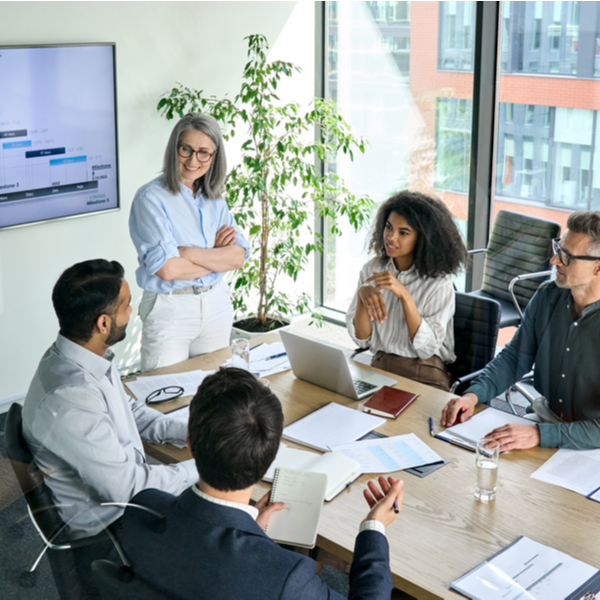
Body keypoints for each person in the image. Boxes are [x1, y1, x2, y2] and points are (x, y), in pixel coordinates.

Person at [121, 367, 404, 599]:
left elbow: (201, 561)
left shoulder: (140, 510)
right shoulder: (286, 576)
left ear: (190, 446)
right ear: (268, 460)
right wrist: (374, 529)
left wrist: (250, 530)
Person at [22, 259, 198, 541]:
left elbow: (129, 411)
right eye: (126, 305)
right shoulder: (70, 398)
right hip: (111, 529)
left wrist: (188, 430)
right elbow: (129, 489)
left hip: (123, 496)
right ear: (103, 323)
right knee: (227, 517)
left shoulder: (80, 356)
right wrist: (206, 466)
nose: (133, 311)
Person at [442, 210, 600, 451]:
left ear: (598, 268)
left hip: (589, 442)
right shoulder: (548, 296)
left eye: (567, 256)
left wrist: (539, 434)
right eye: (558, 249)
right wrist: (472, 395)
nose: (554, 261)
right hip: (544, 418)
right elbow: (515, 357)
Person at [129, 112, 250, 372]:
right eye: (187, 149)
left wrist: (186, 252)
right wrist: (217, 257)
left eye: (203, 152)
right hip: (170, 307)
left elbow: (238, 257)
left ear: (214, 157)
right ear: (175, 148)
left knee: (216, 397)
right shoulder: (150, 198)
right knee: (165, 396)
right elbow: (168, 269)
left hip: (216, 304)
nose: (194, 159)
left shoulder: (216, 198)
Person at [346, 190, 467, 391]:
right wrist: (362, 297)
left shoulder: (439, 282)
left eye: (403, 232)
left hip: (424, 373)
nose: (391, 237)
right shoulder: (371, 269)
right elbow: (362, 339)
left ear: (423, 238)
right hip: (380, 366)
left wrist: (405, 295)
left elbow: (427, 349)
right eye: (388, 227)